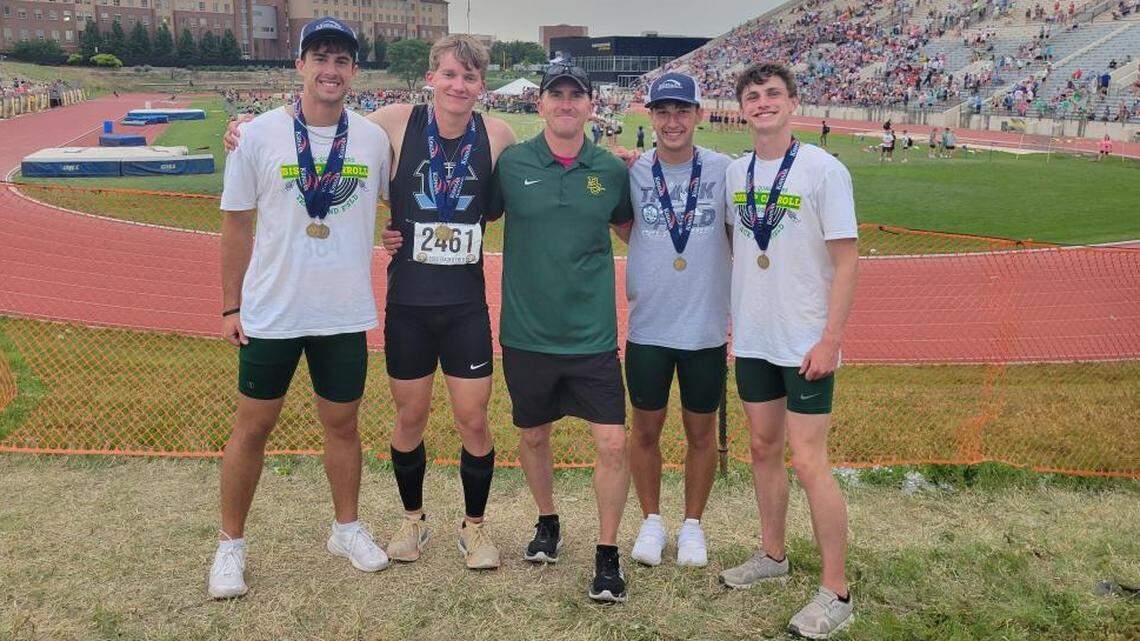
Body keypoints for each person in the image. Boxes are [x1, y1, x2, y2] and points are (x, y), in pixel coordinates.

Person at [226, 34, 518, 571]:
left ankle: (475, 529)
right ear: (431, 76)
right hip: (408, 301)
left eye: (470, 77)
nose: (458, 85)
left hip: (465, 305)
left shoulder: (497, 134)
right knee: (409, 417)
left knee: (473, 420)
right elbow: (324, 129)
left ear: (482, 85)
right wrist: (244, 132)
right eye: (449, 74)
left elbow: (527, 181)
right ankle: (412, 521)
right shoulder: (392, 123)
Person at [210, 18, 391, 600]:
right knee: (252, 427)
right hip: (272, 311)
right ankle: (230, 545)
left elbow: (400, 201)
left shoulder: (370, 139)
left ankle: (346, 529)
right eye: (320, 58)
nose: (330, 70)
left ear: (354, 71)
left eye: (341, 60)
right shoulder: (258, 134)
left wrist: (399, 236)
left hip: (342, 312)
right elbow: (236, 222)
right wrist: (229, 305)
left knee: (343, 426)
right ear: (300, 65)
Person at [718, 62, 859, 639]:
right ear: (742, 108)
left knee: (809, 460)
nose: (762, 102)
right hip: (753, 336)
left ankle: (837, 590)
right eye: (752, 96)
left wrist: (831, 339)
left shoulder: (825, 170)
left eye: (773, 93)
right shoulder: (735, 173)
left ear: (792, 103)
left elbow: (847, 260)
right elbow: (737, 238)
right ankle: (772, 557)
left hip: (805, 341)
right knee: (762, 449)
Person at [494, 63, 635, 602]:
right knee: (533, 435)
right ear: (541, 104)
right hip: (526, 334)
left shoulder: (610, 170)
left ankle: (607, 554)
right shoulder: (511, 165)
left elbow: (628, 227)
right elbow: (461, 207)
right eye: (558, 94)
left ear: (591, 106)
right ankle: (547, 521)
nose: (567, 103)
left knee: (612, 442)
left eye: (577, 95)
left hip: (591, 337)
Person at [617, 72, 732, 569]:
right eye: (662, 112)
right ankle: (651, 521)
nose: (672, 121)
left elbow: (738, 235)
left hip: (704, 329)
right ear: (650, 116)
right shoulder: (635, 172)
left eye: (682, 111)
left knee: (701, 433)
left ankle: (692, 526)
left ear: (698, 115)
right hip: (649, 327)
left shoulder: (726, 171)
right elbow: (626, 229)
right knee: (644, 430)